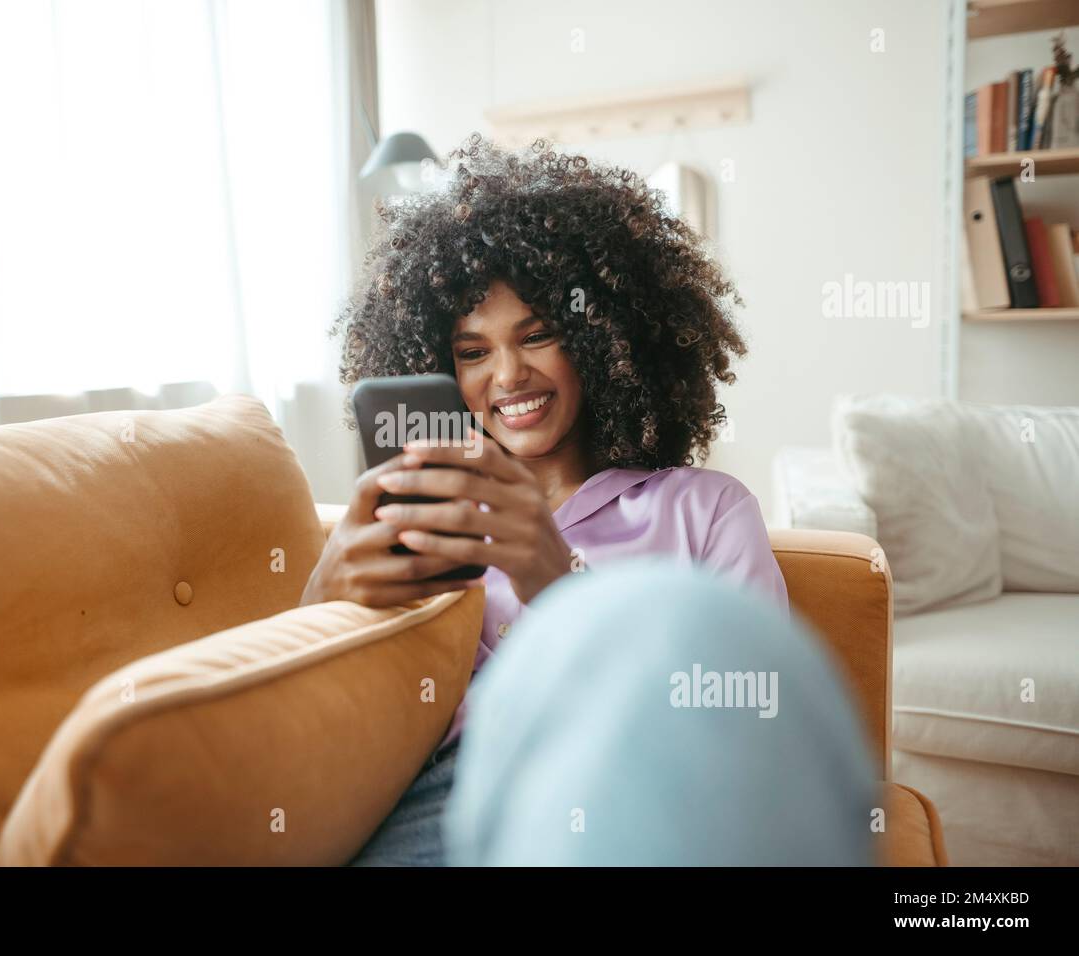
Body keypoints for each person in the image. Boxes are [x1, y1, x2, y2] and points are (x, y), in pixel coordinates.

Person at [299, 134, 877, 865]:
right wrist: (326, 586)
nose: (507, 375)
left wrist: (558, 581)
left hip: (637, 774)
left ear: (605, 337)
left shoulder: (705, 509)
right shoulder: (422, 512)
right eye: (472, 351)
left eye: (538, 334)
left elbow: (750, 707)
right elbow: (301, 702)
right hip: (437, 792)